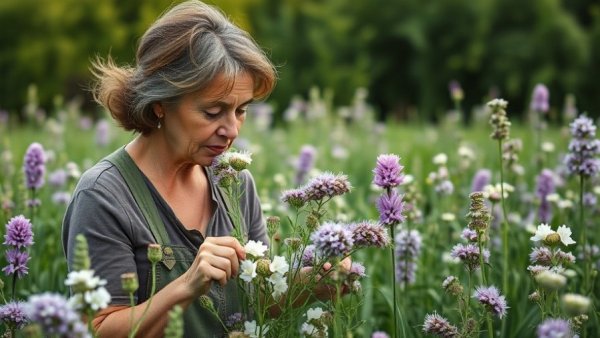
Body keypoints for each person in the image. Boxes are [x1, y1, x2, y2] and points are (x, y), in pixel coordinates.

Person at [62, 1, 276, 336]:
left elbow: (258, 302)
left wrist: (318, 281)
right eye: (213, 111)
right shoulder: (104, 195)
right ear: (161, 103)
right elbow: (97, 328)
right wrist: (188, 285)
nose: (232, 130)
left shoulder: (235, 182)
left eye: (241, 110)